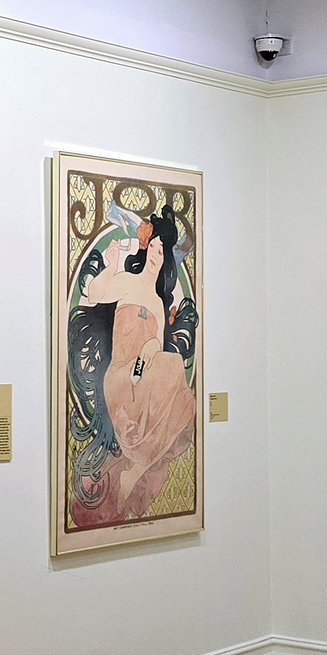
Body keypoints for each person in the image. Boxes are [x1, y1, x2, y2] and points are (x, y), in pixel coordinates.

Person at [67, 206, 197, 528]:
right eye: (153, 247)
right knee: (168, 366)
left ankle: (133, 472)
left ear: (167, 260)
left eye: (162, 251)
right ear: (146, 248)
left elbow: (153, 351)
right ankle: (132, 471)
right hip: (120, 379)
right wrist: (111, 265)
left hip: (141, 378)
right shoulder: (126, 281)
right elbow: (95, 293)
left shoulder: (158, 304)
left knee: (173, 371)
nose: (156, 255)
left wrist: (147, 359)